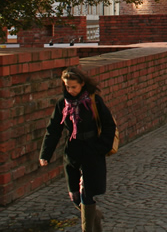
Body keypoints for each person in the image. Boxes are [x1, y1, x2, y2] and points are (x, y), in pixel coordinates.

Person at [39, 66, 116, 232]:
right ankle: (94, 215)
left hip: (91, 151)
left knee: (86, 194)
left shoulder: (94, 101)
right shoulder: (63, 104)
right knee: (75, 195)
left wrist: (101, 147)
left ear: (82, 84)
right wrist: (45, 154)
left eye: (74, 86)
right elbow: (53, 129)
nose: (70, 90)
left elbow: (109, 125)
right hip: (72, 153)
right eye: (67, 86)